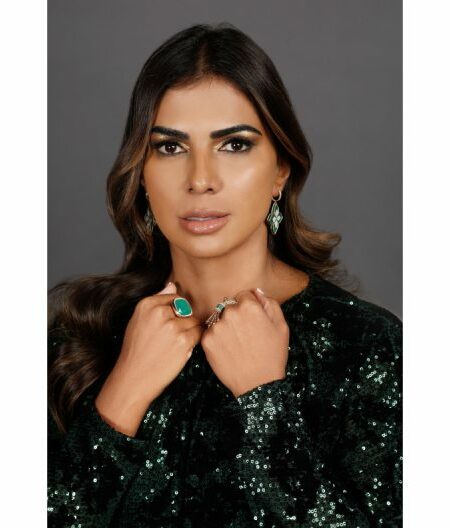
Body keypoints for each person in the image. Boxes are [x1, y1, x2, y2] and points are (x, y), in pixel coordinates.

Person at [48, 22, 402, 527]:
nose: (200, 180)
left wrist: (265, 404)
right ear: (141, 173)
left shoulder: (369, 348)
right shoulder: (77, 340)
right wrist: (121, 398)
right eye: (170, 147)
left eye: (234, 145)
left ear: (281, 169)